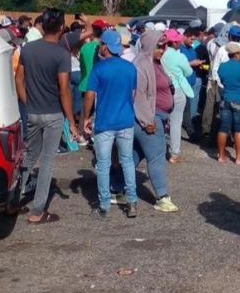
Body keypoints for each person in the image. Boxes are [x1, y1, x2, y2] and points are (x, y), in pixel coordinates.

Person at [15, 8, 79, 224]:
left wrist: (27, 102)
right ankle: (37, 210)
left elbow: (18, 79)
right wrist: (71, 121)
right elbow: (64, 90)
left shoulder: (28, 49)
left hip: (32, 112)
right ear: (61, 27)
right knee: (47, 161)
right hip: (52, 114)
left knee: (28, 156)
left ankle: (12, 199)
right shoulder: (62, 55)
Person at [81, 30, 139, 219]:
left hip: (105, 122)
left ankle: (104, 205)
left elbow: (89, 95)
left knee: (104, 164)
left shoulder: (99, 68)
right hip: (126, 121)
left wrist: (86, 117)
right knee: (127, 161)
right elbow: (133, 94)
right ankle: (132, 202)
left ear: (105, 47)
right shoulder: (130, 68)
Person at [130, 32, 178, 213]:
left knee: (135, 154)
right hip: (149, 117)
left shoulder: (155, 63)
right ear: (150, 45)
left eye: (164, 46)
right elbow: (138, 95)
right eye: (159, 46)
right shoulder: (141, 63)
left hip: (157, 116)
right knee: (157, 155)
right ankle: (162, 197)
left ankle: (115, 187)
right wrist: (147, 120)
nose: (162, 50)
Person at [161, 29, 194, 163]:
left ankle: (158, 148)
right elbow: (189, 71)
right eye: (178, 41)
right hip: (177, 90)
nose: (180, 42)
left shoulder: (160, 54)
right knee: (176, 122)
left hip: (162, 90)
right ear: (173, 42)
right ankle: (174, 153)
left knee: (161, 121)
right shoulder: (179, 56)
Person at [202, 25, 240, 136]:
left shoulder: (217, 46)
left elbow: (214, 67)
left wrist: (218, 83)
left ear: (229, 35)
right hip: (234, 84)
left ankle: (208, 130)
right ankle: (228, 133)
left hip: (216, 81)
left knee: (212, 106)